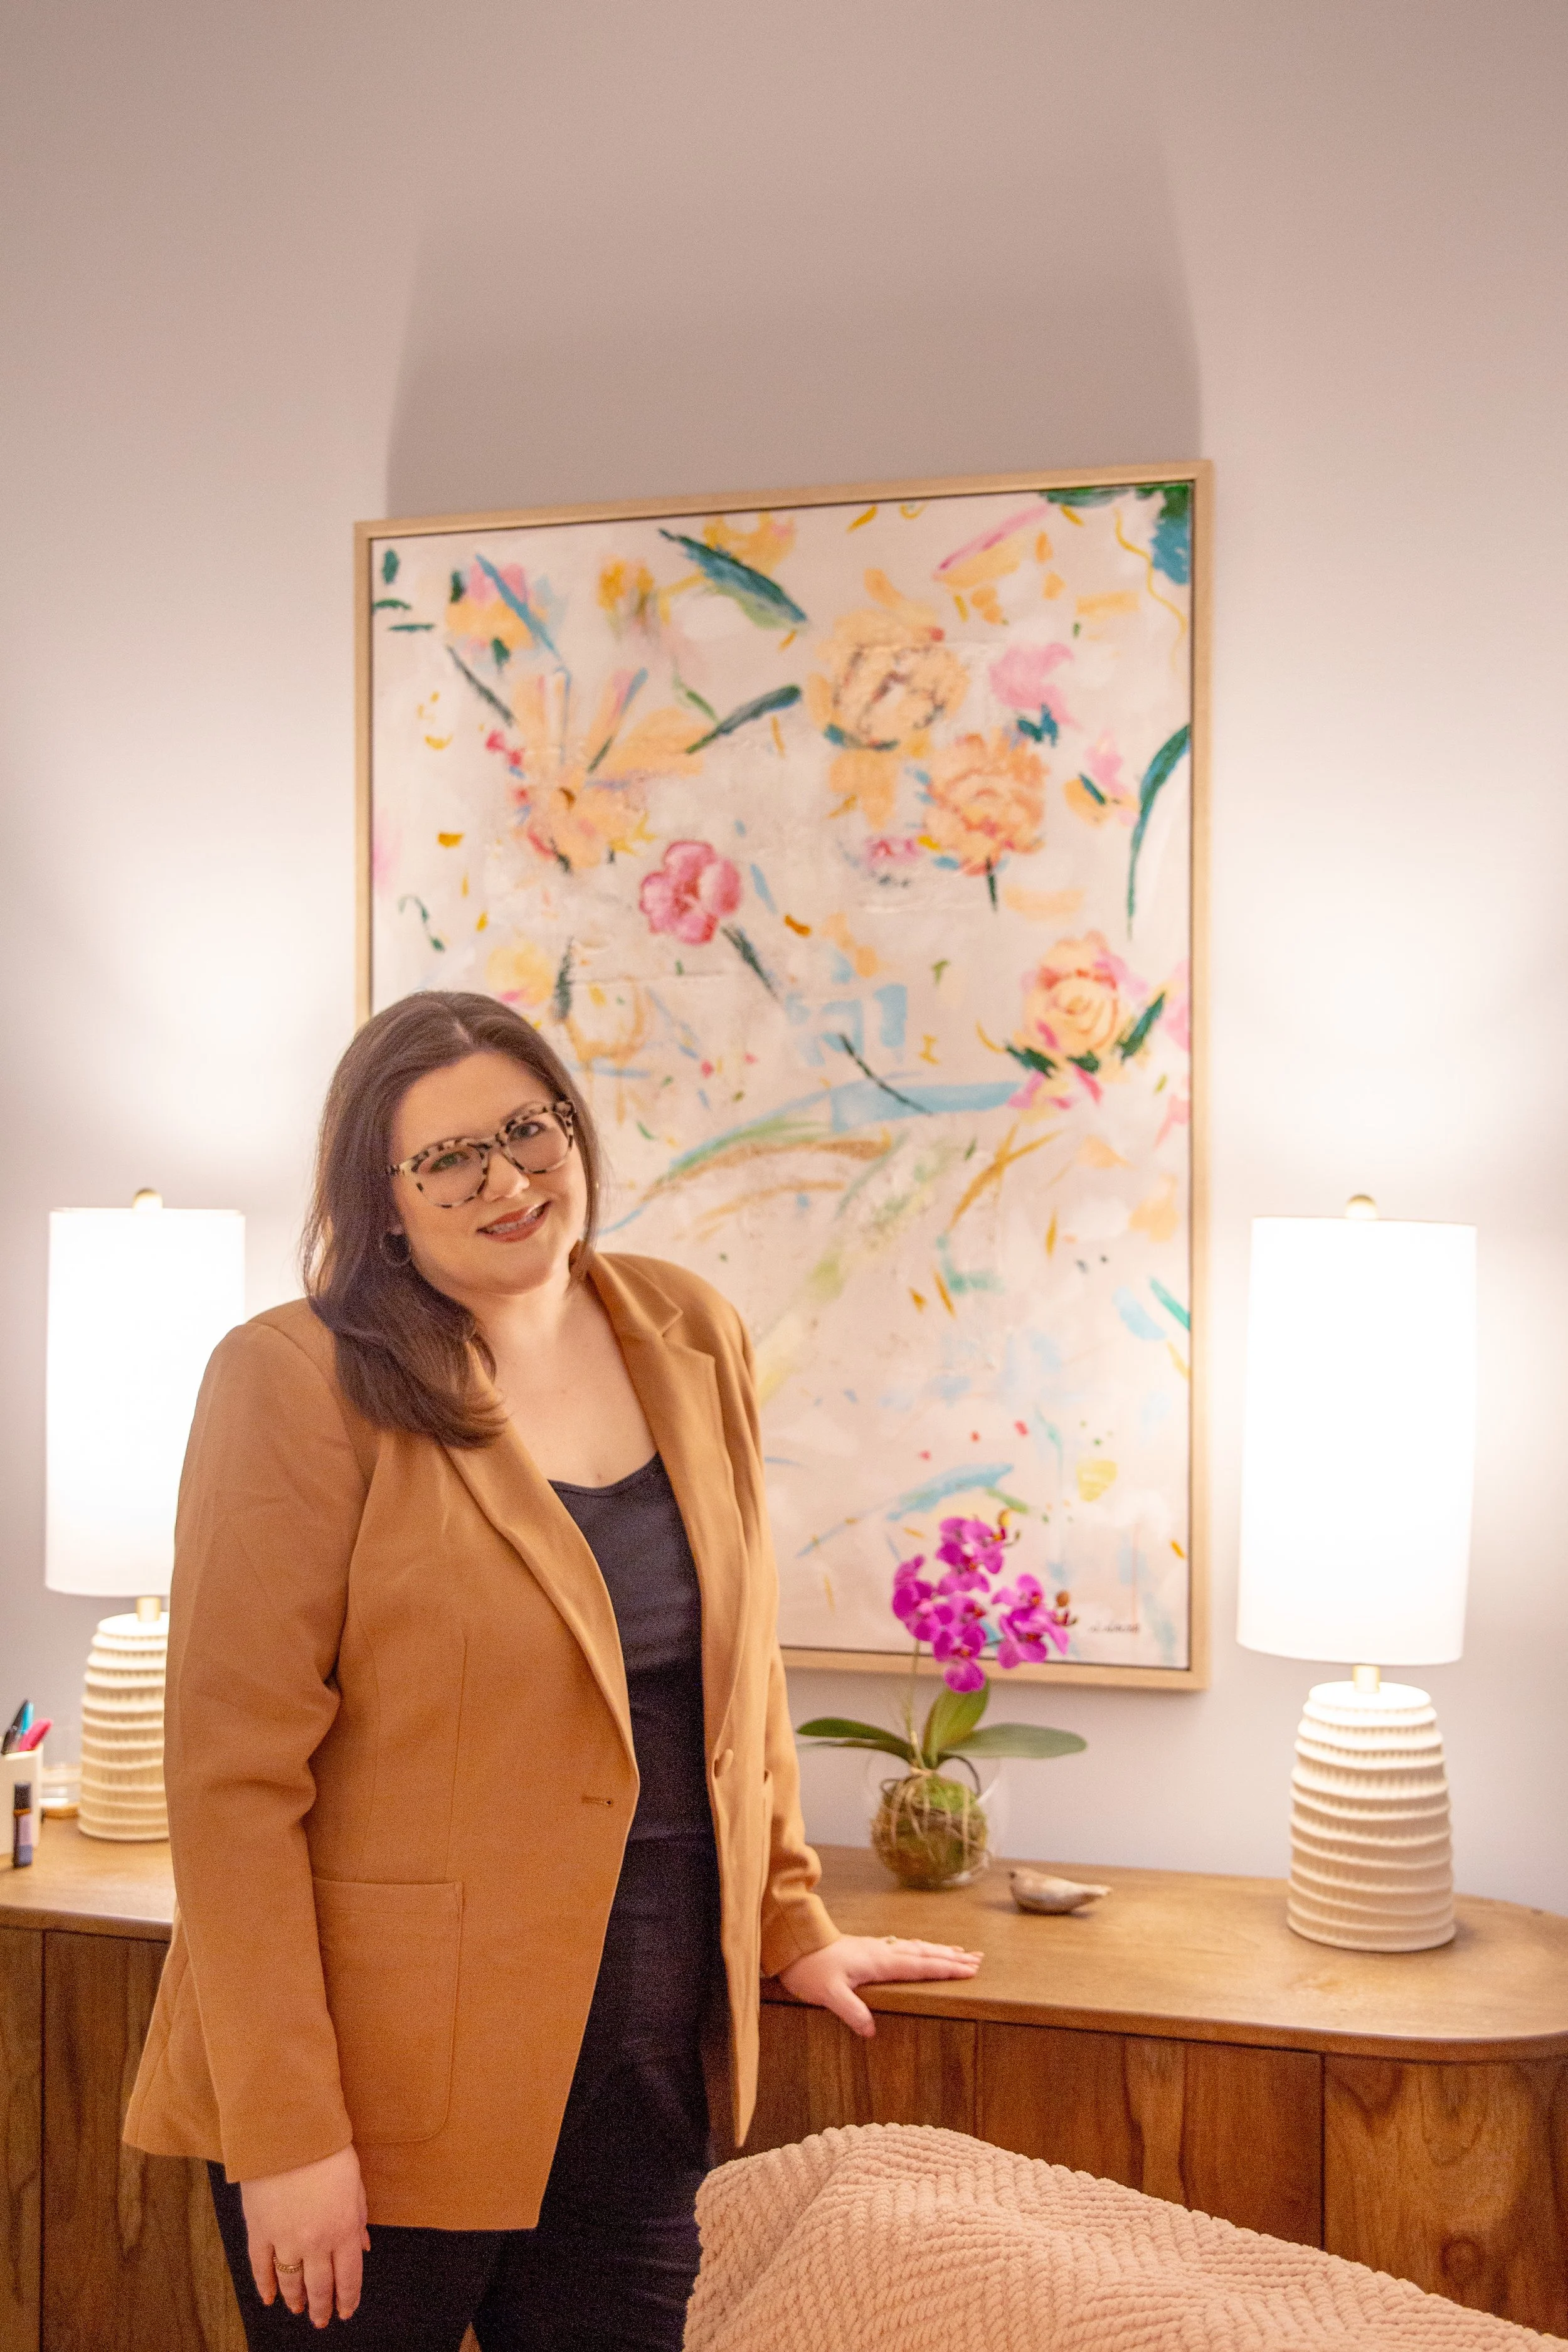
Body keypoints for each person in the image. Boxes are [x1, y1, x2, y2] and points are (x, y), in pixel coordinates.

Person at [124, 990, 980, 2349]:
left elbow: (732, 1679)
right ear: (381, 1197)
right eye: (448, 1157)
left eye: (533, 1129)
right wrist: (287, 2136)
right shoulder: (290, 1382)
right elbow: (230, 1790)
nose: (509, 1180)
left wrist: (789, 1920)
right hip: (377, 2097)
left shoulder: (687, 1329)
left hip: (640, 2082)